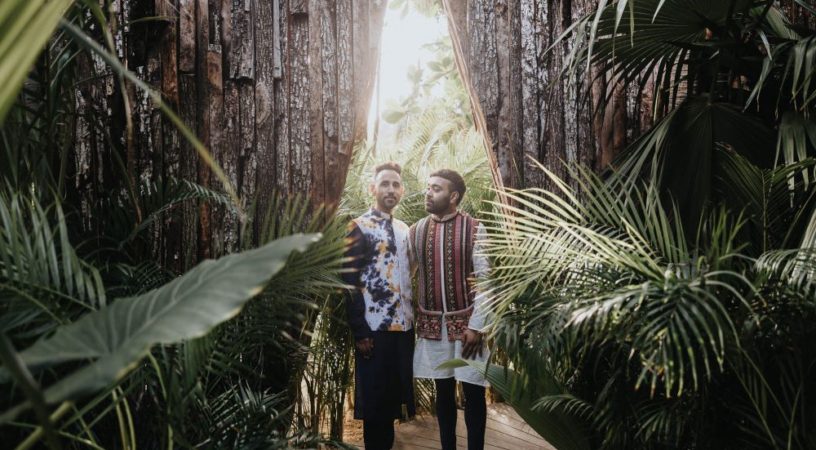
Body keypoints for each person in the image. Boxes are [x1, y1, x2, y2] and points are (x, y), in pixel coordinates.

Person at [409, 169, 491, 450]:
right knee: (442, 393)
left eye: (436, 188)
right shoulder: (416, 231)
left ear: (453, 196)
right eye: (428, 187)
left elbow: (487, 281)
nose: (428, 193)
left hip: (468, 328)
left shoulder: (475, 228)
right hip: (433, 330)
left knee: (474, 394)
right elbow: (406, 277)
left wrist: (477, 326)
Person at [342, 162, 415, 450]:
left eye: (396, 184)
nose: (391, 189)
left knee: (392, 404)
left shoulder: (404, 229)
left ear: (402, 191)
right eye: (385, 183)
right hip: (374, 331)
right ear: (373, 188)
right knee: (375, 407)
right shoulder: (359, 227)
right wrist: (360, 332)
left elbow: (409, 274)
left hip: (404, 329)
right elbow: (347, 282)